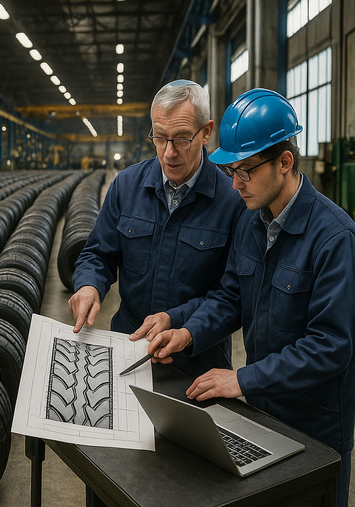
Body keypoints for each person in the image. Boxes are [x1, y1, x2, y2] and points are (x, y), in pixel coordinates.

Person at [139, 88, 355, 506]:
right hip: (263, 416)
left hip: (316, 433)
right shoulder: (252, 223)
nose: (234, 184)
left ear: (285, 163)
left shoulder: (334, 238)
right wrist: (186, 331)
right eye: (232, 170)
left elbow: (331, 346)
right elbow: (230, 297)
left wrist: (241, 379)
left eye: (245, 171)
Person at [68, 79, 245, 377]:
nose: (168, 153)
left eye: (181, 138)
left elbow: (234, 296)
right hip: (129, 347)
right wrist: (88, 284)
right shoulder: (127, 186)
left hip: (197, 361)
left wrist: (177, 322)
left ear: (206, 132)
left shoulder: (234, 201)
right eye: (160, 137)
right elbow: (98, 254)